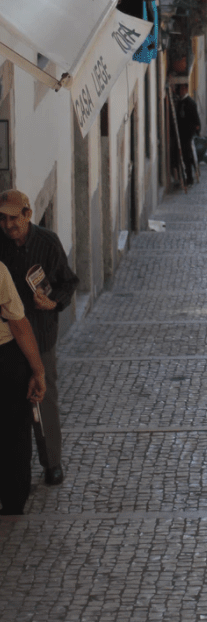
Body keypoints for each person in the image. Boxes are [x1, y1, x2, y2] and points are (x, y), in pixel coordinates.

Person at [0, 190, 76, 492]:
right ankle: (15, 469)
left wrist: (54, 302)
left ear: (28, 215)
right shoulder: (1, 244)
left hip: (40, 333)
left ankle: (52, 462)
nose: (7, 225)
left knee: (43, 399)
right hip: (8, 337)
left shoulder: (47, 242)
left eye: (13, 218)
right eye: (2, 219)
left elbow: (68, 282)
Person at [0, 261, 46, 514]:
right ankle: (13, 501)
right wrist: (38, 370)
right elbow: (18, 324)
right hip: (4, 357)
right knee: (13, 430)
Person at [174, 85, 201, 185]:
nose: (180, 91)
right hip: (181, 135)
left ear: (185, 89)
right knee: (185, 157)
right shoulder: (180, 102)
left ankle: (190, 178)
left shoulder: (190, 103)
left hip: (188, 135)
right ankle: (187, 177)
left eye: (181, 89)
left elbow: (196, 121)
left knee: (188, 157)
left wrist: (194, 132)